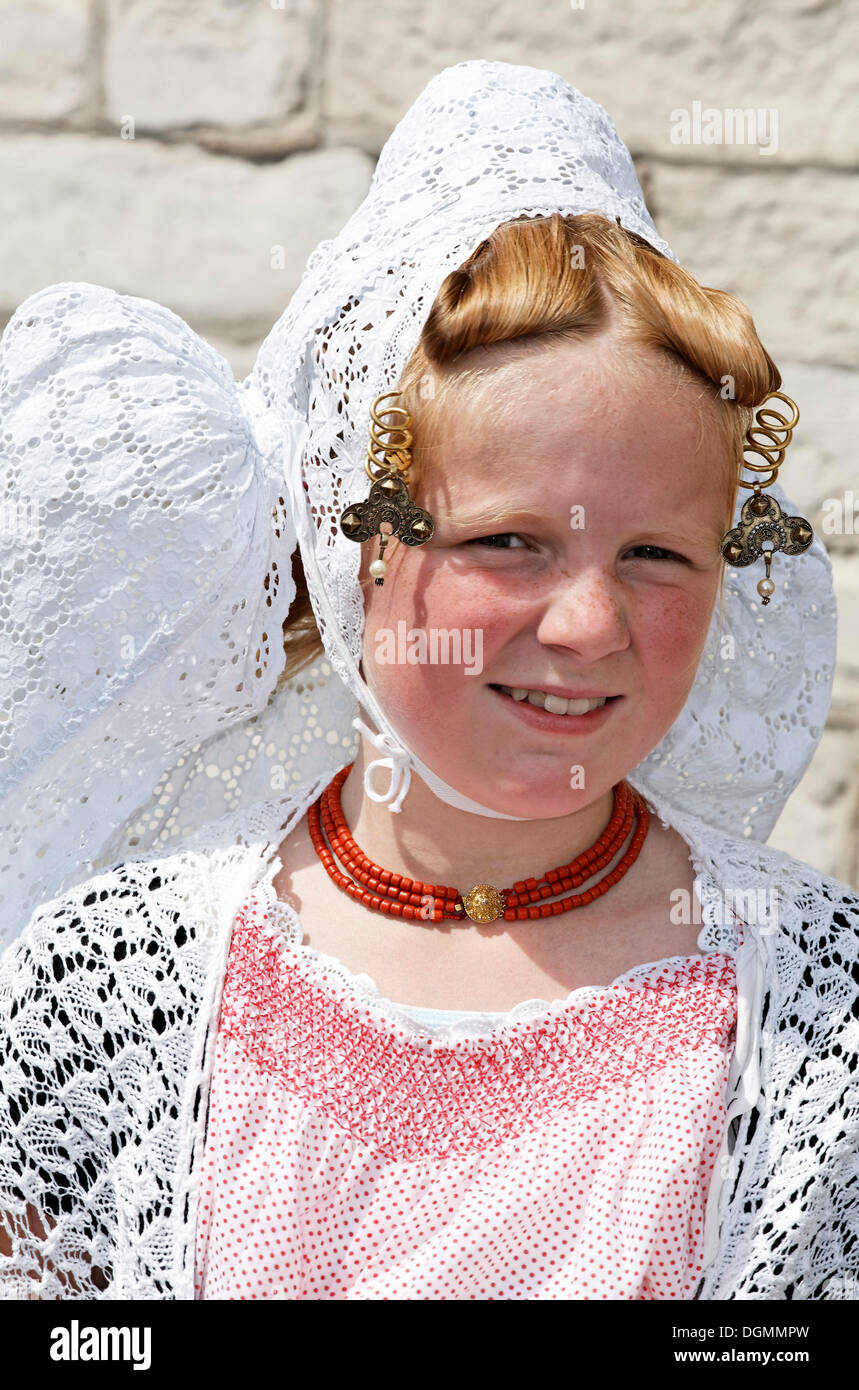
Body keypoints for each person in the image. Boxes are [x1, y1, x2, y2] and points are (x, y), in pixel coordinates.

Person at [0, 60, 856, 1301]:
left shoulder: (809, 1010)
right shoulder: (115, 986)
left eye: (656, 553)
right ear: (354, 540)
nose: (587, 622)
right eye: (508, 541)